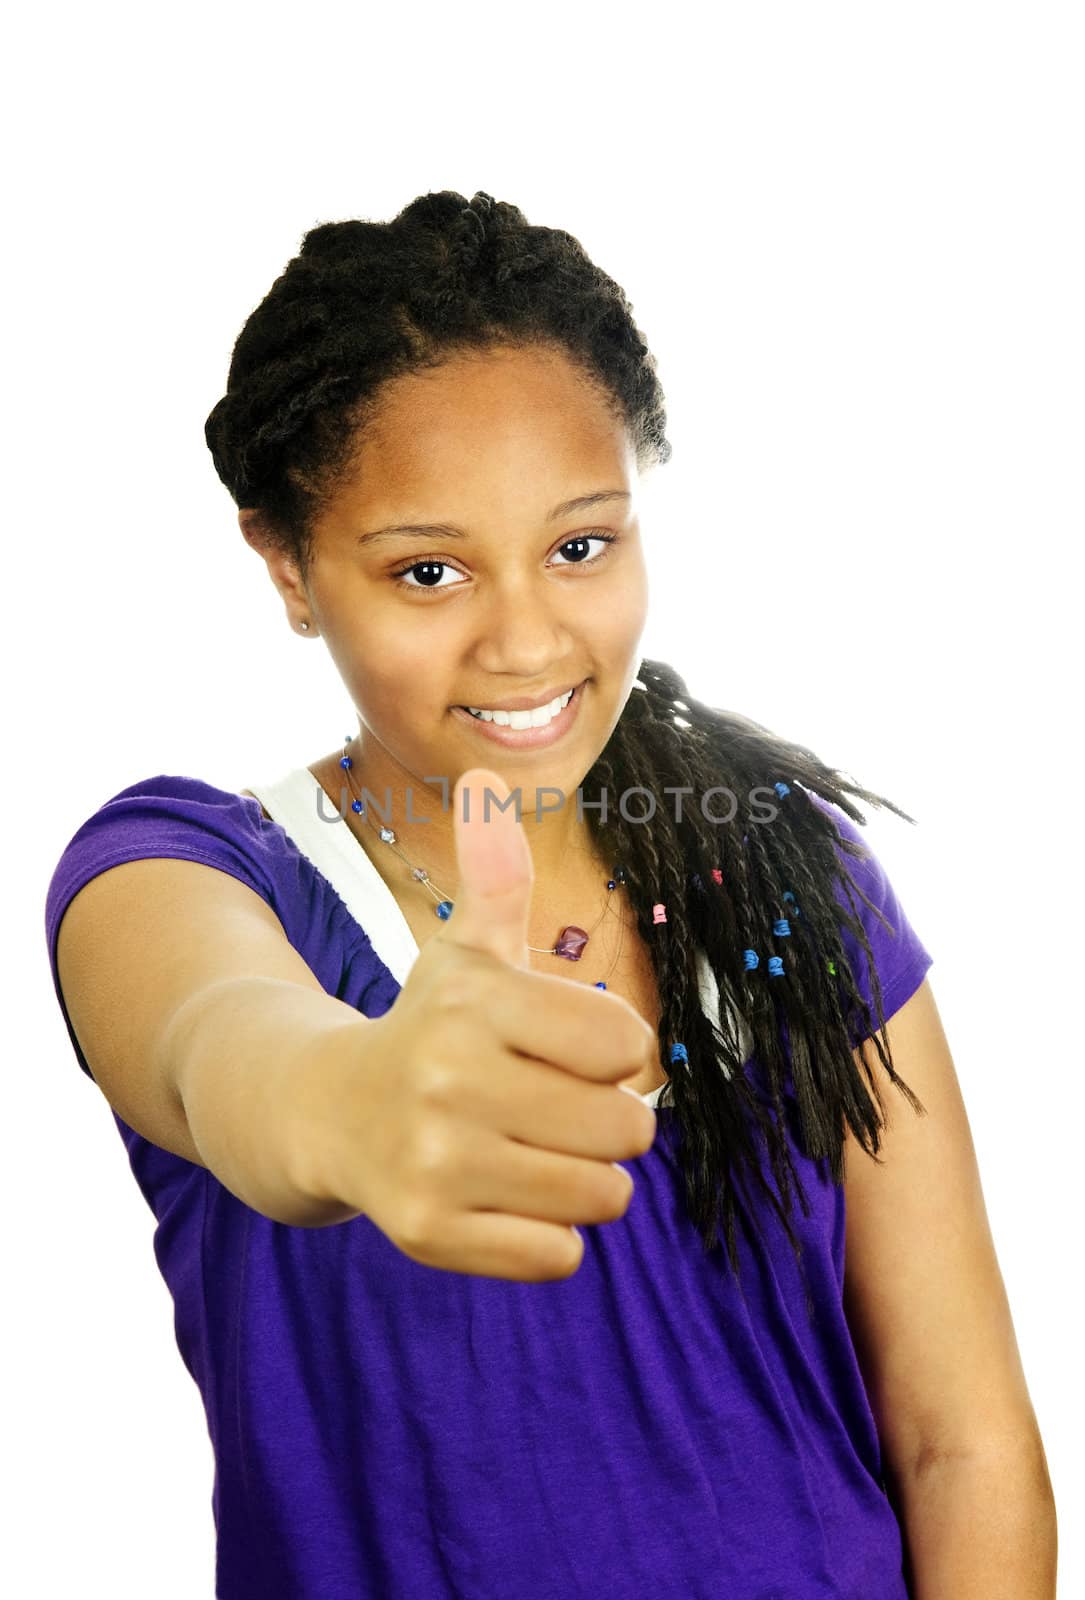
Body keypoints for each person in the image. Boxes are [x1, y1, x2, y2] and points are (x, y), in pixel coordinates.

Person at [43, 190, 1055, 1599]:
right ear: (286, 567)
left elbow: (960, 1443)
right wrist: (352, 1103)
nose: (526, 638)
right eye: (429, 570)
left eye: (581, 545)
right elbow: (219, 1042)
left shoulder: (790, 870)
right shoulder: (184, 868)